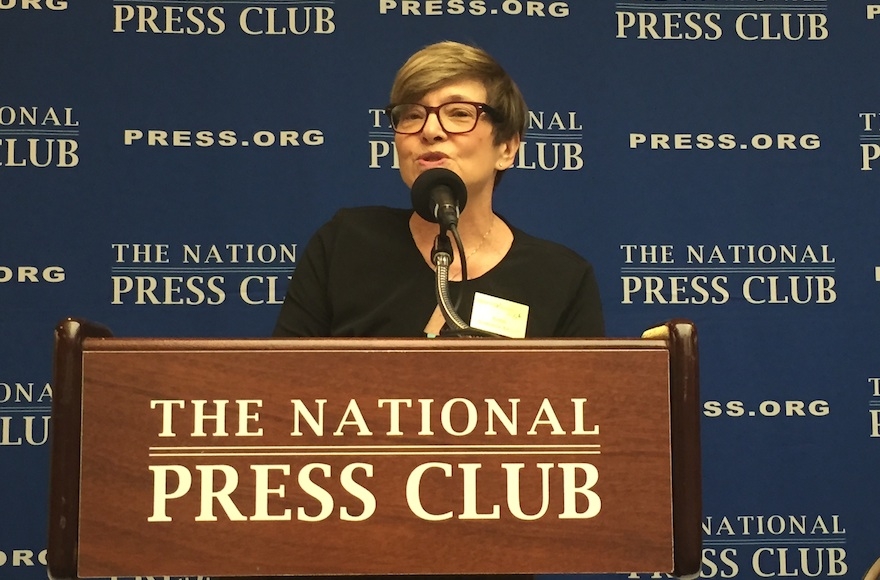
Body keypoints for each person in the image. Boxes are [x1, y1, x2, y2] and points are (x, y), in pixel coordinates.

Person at [273, 41, 603, 338]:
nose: (430, 130)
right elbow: (282, 384)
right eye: (411, 115)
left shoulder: (560, 279)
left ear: (506, 147)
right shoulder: (345, 244)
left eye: (459, 114)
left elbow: (587, 403)